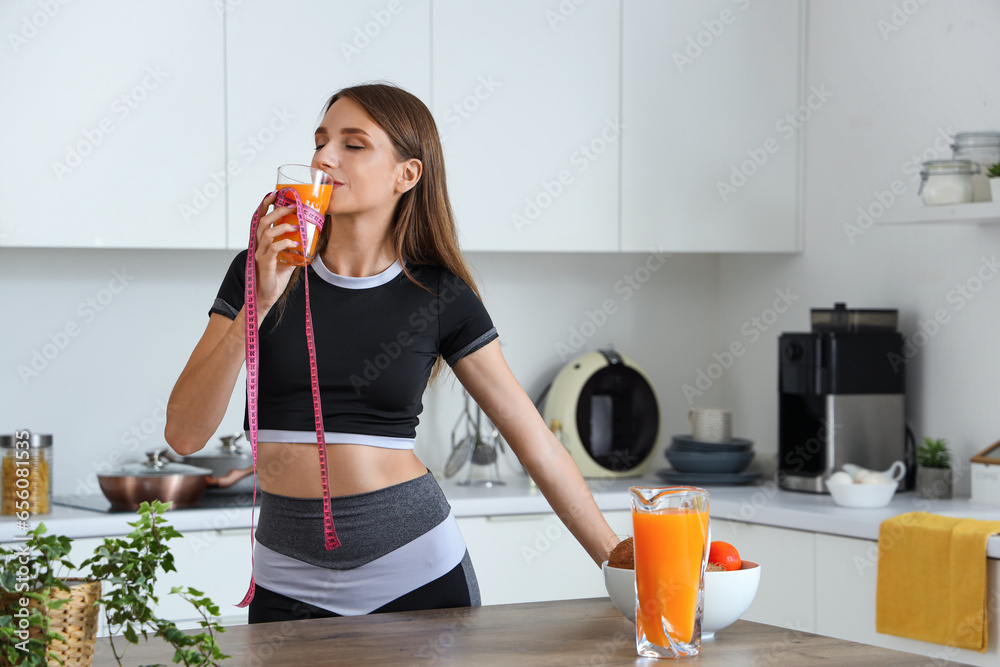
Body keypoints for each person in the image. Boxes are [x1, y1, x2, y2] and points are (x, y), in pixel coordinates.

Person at [164, 83, 621, 624]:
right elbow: (184, 435)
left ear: (407, 174)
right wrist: (258, 302)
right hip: (285, 577)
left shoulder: (439, 294)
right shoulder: (257, 269)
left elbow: (536, 445)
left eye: (353, 144)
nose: (323, 158)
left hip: (413, 572)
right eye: (320, 141)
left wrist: (624, 566)